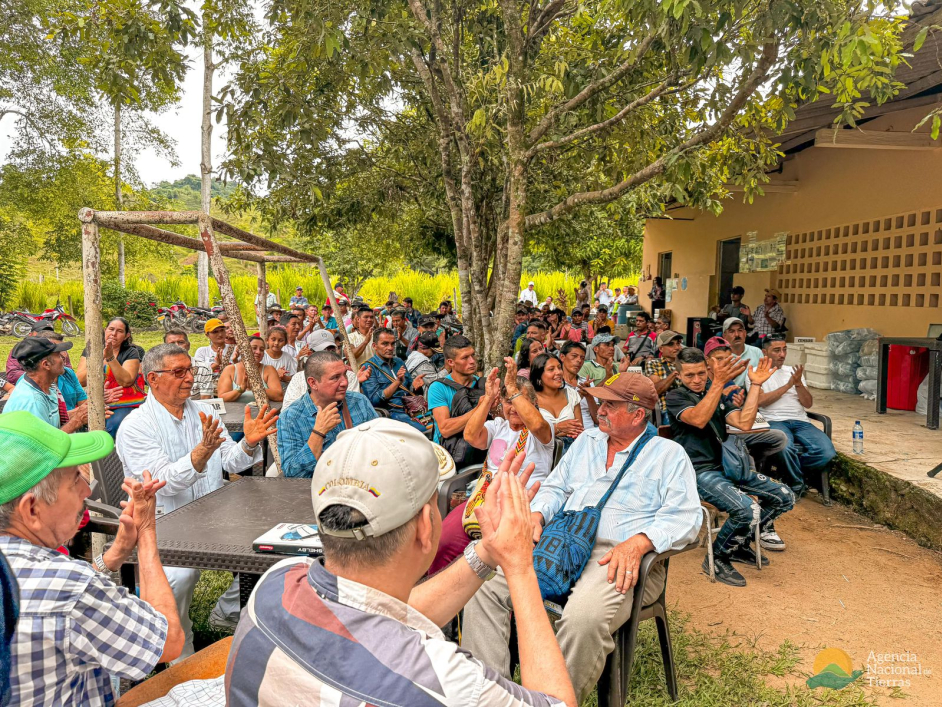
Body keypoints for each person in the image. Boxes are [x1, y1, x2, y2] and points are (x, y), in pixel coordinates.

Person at [228, 419, 577, 707]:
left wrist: (487, 551)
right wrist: (519, 566)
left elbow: (384, 616)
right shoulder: (447, 682)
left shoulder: (277, 583)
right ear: (426, 526)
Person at [464, 374, 700, 703]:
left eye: (609, 404)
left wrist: (640, 542)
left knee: (583, 618)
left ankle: (553, 701)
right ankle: (492, 696)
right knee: (485, 584)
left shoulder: (668, 454)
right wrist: (538, 515)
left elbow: (687, 517)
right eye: (600, 402)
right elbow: (556, 487)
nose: (599, 409)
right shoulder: (588, 441)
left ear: (637, 414)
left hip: (617, 557)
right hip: (561, 543)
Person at [0, 412, 185, 704]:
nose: (88, 491)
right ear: (32, 510)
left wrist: (118, 552)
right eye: (75, 481)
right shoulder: (68, 587)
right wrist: (147, 532)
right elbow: (169, 642)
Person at [116, 343, 278, 657]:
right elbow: (164, 485)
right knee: (179, 576)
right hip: (165, 521)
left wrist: (248, 442)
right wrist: (202, 452)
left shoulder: (203, 410)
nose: (190, 377)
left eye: (189, 369)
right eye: (179, 372)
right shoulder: (135, 426)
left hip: (216, 513)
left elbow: (231, 461)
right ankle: (179, 653)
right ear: (153, 379)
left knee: (270, 544)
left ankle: (229, 612)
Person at [666, 347, 794, 587]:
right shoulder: (676, 397)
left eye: (701, 374)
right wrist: (718, 384)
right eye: (690, 375)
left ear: (707, 371)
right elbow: (698, 419)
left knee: (784, 497)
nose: (696, 380)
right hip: (699, 472)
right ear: (679, 376)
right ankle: (717, 558)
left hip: (729, 467)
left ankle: (738, 544)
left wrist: (755, 386)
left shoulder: (718, 393)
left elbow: (745, 423)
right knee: (748, 510)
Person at [429, 363, 554, 575]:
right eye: (508, 401)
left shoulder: (543, 424)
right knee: (442, 544)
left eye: (519, 400)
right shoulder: (498, 425)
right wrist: (487, 399)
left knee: (493, 555)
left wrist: (513, 390)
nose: (513, 407)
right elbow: (470, 435)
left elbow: (538, 427)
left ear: (533, 403)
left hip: (522, 502)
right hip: (483, 498)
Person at [751, 335, 836, 498]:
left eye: (784, 349)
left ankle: (791, 475)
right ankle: (797, 484)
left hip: (801, 421)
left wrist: (797, 384)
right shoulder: (756, 373)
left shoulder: (793, 371)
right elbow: (761, 402)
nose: (782, 354)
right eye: (777, 350)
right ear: (765, 352)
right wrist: (788, 385)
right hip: (774, 421)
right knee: (785, 447)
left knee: (827, 452)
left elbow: (808, 403)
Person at [277, 350, 378, 478]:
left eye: (344, 375)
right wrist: (318, 433)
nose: (345, 382)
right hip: (317, 491)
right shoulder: (290, 418)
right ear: (313, 383)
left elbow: (379, 445)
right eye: (335, 377)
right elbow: (293, 474)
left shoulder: (359, 402)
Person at [76, 317, 144, 437]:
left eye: (120, 331)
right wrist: (100, 357)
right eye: (111, 329)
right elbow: (80, 381)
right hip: (96, 401)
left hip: (123, 404)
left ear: (127, 335)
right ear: (105, 330)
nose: (114, 334)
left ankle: (110, 455)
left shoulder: (131, 352)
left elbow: (126, 381)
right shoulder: (90, 350)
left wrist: (110, 358)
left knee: (113, 426)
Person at [4, 338, 89, 432]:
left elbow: (50, 419)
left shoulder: (47, 386)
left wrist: (81, 411)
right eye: (58, 356)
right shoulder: (32, 402)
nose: (63, 359)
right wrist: (77, 421)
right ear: (46, 364)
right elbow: (44, 444)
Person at [360, 328, 427, 432]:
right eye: (385, 344)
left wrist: (415, 387)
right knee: (423, 430)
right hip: (392, 413)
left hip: (411, 409)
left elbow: (409, 389)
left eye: (392, 344)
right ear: (374, 346)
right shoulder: (369, 367)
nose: (390, 348)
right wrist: (397, 382)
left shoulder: (399, 362)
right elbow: (374, 400)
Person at [427, 335, 479, 444]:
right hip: (450, 452)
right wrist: (483, 407)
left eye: (473, 355)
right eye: (465, 358)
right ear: (451, 362)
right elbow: (445, 429)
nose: (472, 361)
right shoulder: (438, 388)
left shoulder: (482, 383)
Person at [530, 353, 582, 451]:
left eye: (559, 368)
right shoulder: (531, 400)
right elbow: (531, 434)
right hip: (540, 453)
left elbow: (578, 430)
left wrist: (549, 431)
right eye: (551, 369)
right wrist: (559, 428)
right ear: (539, 374)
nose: (558, 372)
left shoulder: (571, 394)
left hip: (570, 452)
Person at [217, 335, 284, 405]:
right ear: (243, 350)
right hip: (234, 414)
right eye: (254, 348)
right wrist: (241, 389)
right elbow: (222, 398)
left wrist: (256, 386)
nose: (258, 352)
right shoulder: (230, 370)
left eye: (261, 349)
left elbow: (279, 397)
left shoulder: (269, 370)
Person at [644, 330, 684, 421]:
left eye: (678, 344)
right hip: (669, 410)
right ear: (661, 349)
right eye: (671, 344)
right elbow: (656, 390)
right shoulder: (654, 364)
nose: (677, 347)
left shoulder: (686, 362)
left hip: (689, 406)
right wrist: (675, 373)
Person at [3, 322, 57, 387]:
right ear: (30, 334)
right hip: (28, 386)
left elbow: (66, 369)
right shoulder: (21, 349)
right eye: (40, 332)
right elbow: (13, 373)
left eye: (49, 333)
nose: (44, 335)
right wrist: (39, 377)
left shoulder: (57, 348)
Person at [559, 340, 598, 430]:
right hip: (568, 433)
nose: (579, 360)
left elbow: (597, 419)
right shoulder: (556, 384)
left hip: (590, 432)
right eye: (574, 356)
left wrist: (589, 397)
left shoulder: (587, 383)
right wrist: (578, 397)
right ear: (562, 357)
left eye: (582, 358)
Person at [45, 331, 87, 412]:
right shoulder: (34, 383)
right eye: (58, 351)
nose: (64, 355)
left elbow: (83, 402)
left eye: (64, 350)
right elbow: (50, 420)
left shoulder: (68, 373)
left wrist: (99, 399)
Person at [722, 317, 763, 387]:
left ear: (745, 333)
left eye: (740, 330)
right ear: (724, 336)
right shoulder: (721, 356)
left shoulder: (756, 352)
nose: (737, 335)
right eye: (731, 331)